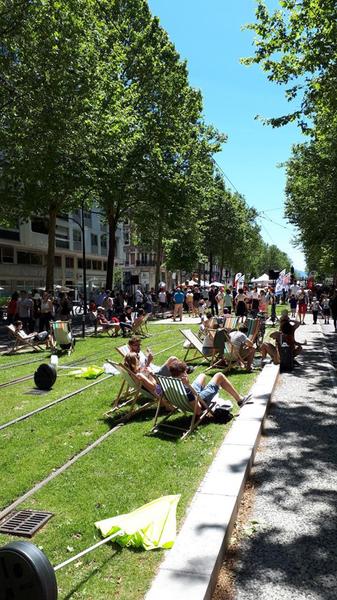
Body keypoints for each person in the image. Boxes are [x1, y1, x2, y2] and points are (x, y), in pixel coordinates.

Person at [168, 359, 251, 414]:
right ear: (183, 373)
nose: (187, 373)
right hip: (199, 399)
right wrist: (188, 385)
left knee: (202, 375)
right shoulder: (187, 390)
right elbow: (198, 411)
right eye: (185, 371)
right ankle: (240, 400)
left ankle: (208, 393)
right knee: (219, 375)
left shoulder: (171, 383)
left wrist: (187, 385)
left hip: (189, 395)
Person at [125, 336, 193, 376]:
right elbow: (141, 374)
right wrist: (148, 361)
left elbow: (143, 364)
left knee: (172, 362)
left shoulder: (138, 353)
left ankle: (184, 369)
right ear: (130, 346)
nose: (139, 347)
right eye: (136, 345)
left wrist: (147, 356)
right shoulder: (132, 357)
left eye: (139, 345)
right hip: (155, 375)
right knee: (173, 359)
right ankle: (185, 370)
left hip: (155, 369)